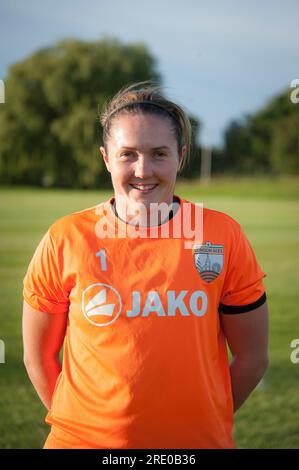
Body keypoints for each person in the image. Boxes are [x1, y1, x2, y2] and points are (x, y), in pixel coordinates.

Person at [22, 81, 269, 449]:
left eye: (158, 153)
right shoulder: (66, 237)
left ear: (181, 156)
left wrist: (205, 418)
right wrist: (82, 428)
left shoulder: (221, 234)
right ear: (106, 157)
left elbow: (252, 357)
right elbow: (38, 355)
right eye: (128, 154)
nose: (143, 169)